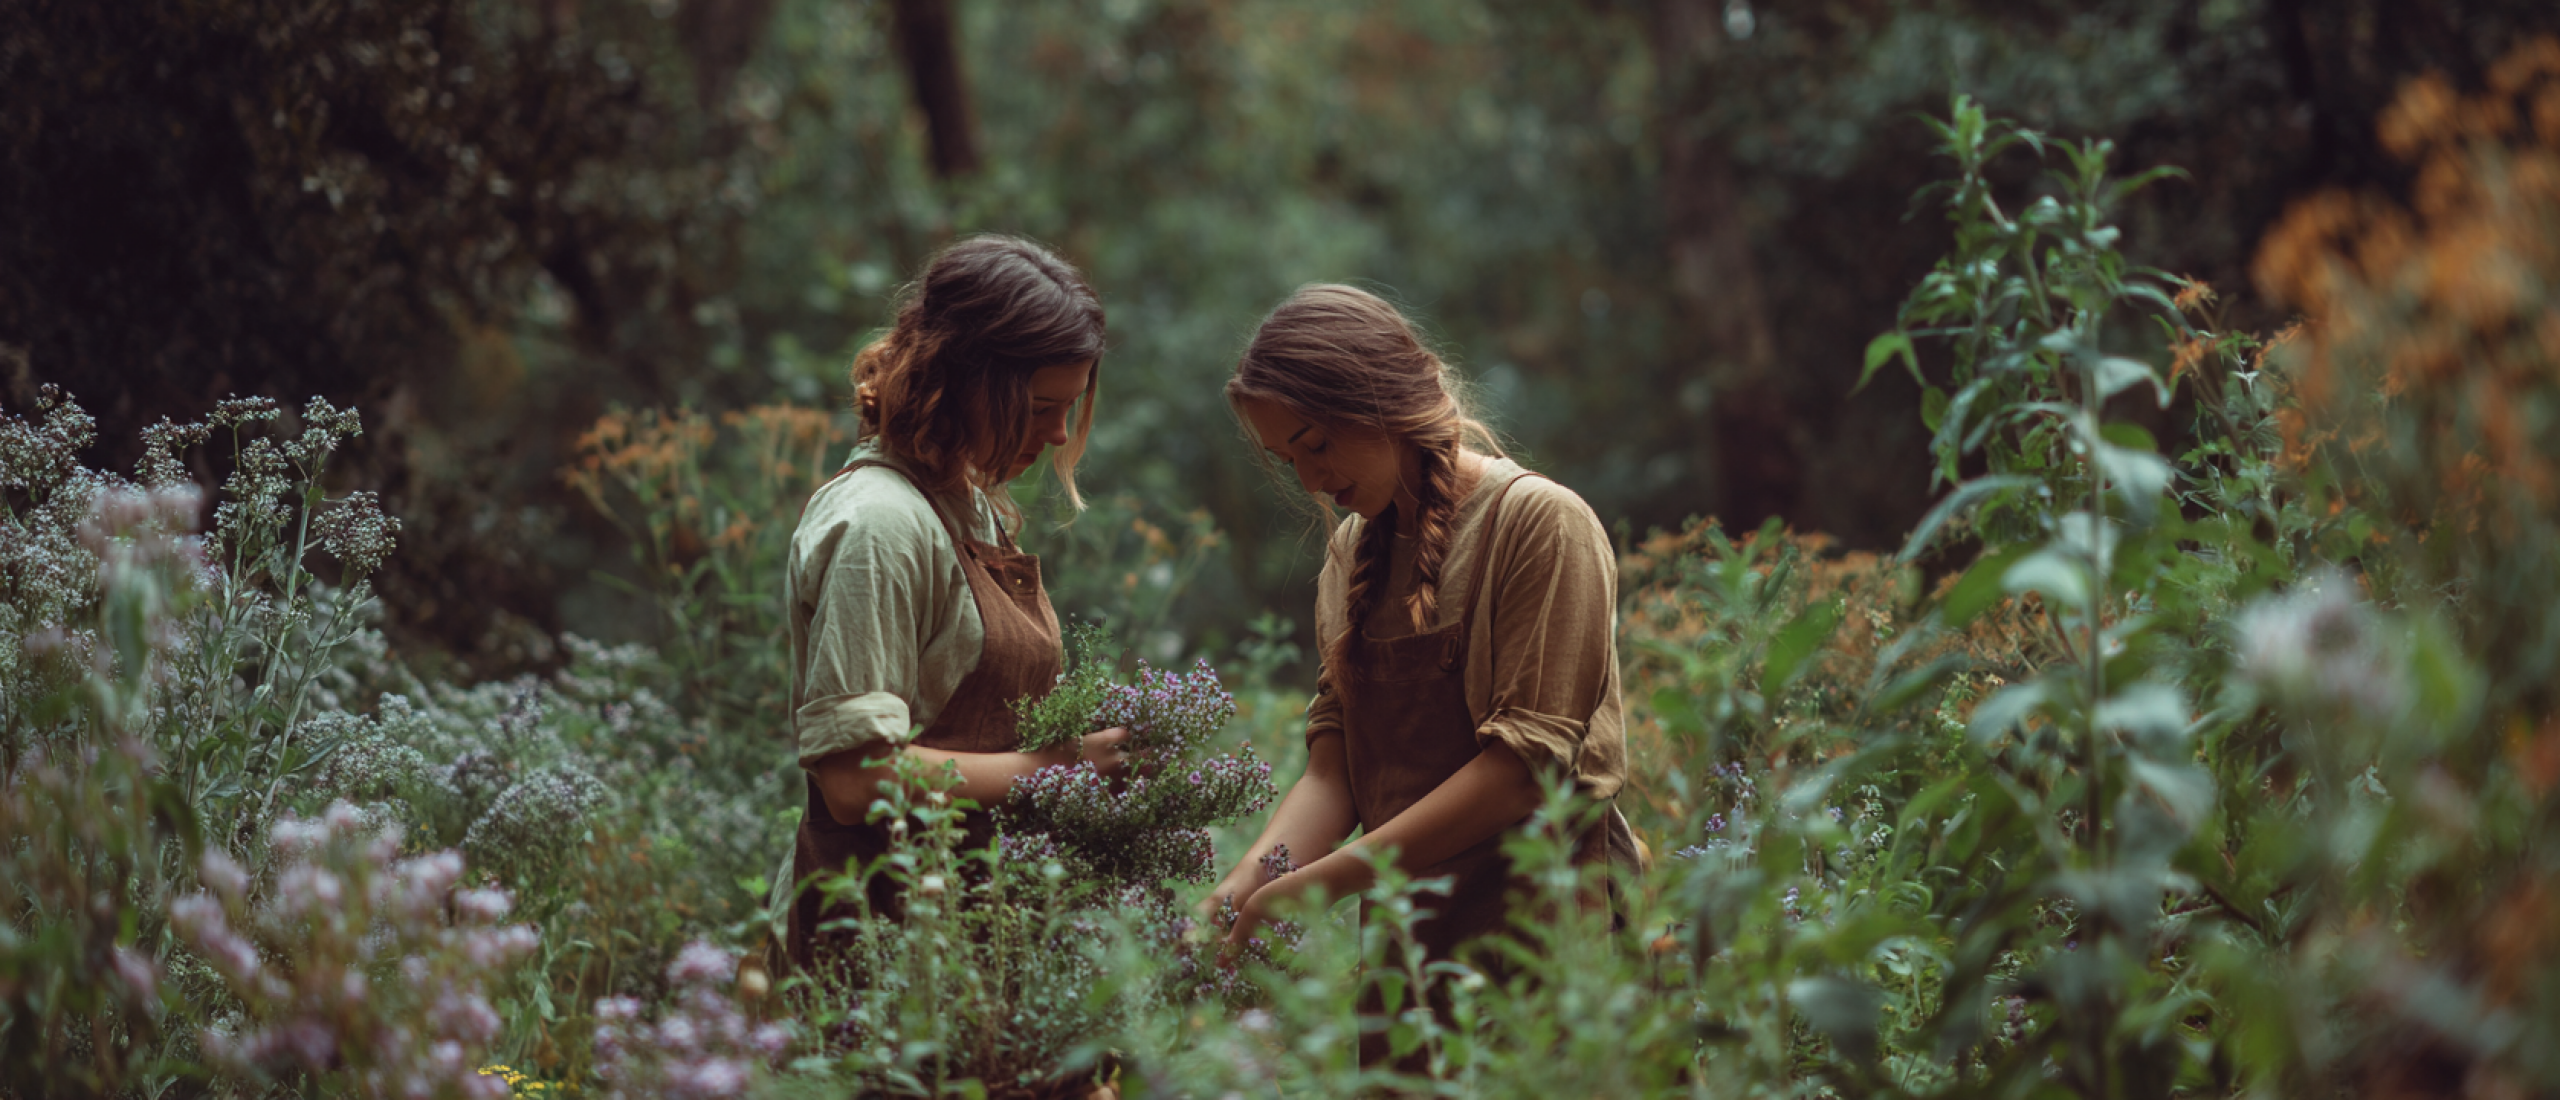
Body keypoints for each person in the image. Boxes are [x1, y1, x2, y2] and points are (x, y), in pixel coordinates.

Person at [1211, 284, 1641, 1068]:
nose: (1310, 479)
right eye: (1288, 459)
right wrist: (1245, 885)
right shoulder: (1350, 557)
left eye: (1316, 445)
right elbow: (1333, 771)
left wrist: (1320, 885)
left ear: (1380, 401)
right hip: (1410, 959)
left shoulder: (1540, 525)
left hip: (1546, 951)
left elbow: (1522, 773)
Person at [776, 235, 1137, 973]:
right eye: (1040, 407)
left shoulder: (966, 505)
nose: (1060, 434)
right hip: (879, 940)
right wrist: (1060, 765)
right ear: (964, 382)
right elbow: (855, 780)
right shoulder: (881, 522)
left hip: (973, 928)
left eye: (1069, 409)